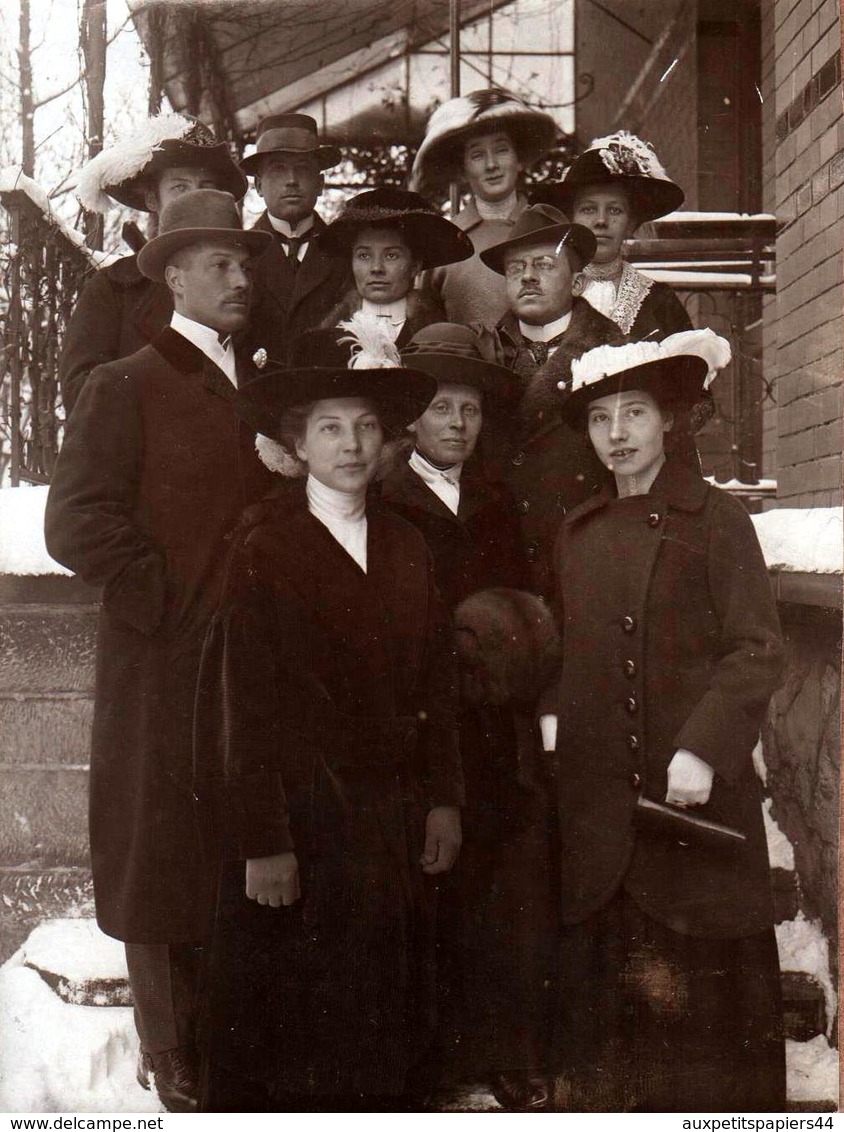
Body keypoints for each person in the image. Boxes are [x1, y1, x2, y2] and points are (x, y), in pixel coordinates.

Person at [192, 326, 463, 1112]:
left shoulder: (412, 545)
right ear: (295, 443)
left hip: (388, 822)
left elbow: (436, 683)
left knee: (380, 1034)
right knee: (290, 1040)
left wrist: (443, 798)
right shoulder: (263, 545)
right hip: (300, 828)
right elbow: (242, 707)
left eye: (368, 426)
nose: (352, 444)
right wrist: (264, 842)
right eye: (331, 428)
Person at [44, 190, 273, 1113]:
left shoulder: (262, 386)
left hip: (254, 659)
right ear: (172, 277)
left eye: (245, 262)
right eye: (219, 263)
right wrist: (165, 599)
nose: (239, 277)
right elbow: (75, 523)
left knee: (243, 835)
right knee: (160, 848)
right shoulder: (127, 382)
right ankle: (168, 1048)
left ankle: (230, 1038)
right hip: (163, 661)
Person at [539, 331, 786, 1112]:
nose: (617, 434)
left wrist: (706, 750)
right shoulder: (576, 533)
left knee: (705, 1032)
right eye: (601, 418)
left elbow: (756, 649)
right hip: (604, 807)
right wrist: (553, 717)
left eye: (635, 413)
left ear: (669, 422)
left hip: (692, 802)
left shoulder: (715, 519)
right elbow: (565, 646)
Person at [380, 322, 555, 1110]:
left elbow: (534, 608)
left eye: (472, 411)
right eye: (443, 408)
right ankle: (429, 1057)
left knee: (503, 887)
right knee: (423, 887)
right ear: (412, 417)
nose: (457, 423)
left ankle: (507, 1049)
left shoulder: (500, 502)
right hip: (415, 726)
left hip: (495, 727)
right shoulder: (385, 500)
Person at [479, 204, 624, 597]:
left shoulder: (617, 354)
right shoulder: (479, 355)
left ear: (577, 284)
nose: (527, 276)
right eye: (515, 268)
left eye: (543, 264)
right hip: (501, 560)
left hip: (586, 556)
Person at [62, 114, 248, 414]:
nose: (195, 198)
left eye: (205, 185)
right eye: (180, 188)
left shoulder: (245, 283)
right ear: (152, 199)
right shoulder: (114, 289)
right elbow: (81, 395)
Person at [410, 89, 557, 327]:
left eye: (501, 150)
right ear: (462, 170)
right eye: (477, 155)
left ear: (519, 159)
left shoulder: (550, 229)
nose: (491, 165)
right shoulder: (442, 243)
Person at [530, 131, 691, 339]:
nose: (601, 221)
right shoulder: (547, 293)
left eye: (615, 210)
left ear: (631, 224)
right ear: (570, 220)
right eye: (588, 209)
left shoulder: (659, 301)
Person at [240, 114, 352, 361]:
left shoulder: (347, 253)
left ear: (320, 183)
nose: (291, 181)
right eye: (278, 169)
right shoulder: (239, 254)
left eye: (303, 168)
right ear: (258, 186)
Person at [319, 187, 472, 344]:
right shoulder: (319, 344)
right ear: (351, 262)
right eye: (364, 256)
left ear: (414, 266)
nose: (376, 268)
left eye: (391, 255)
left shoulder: (442, 343)